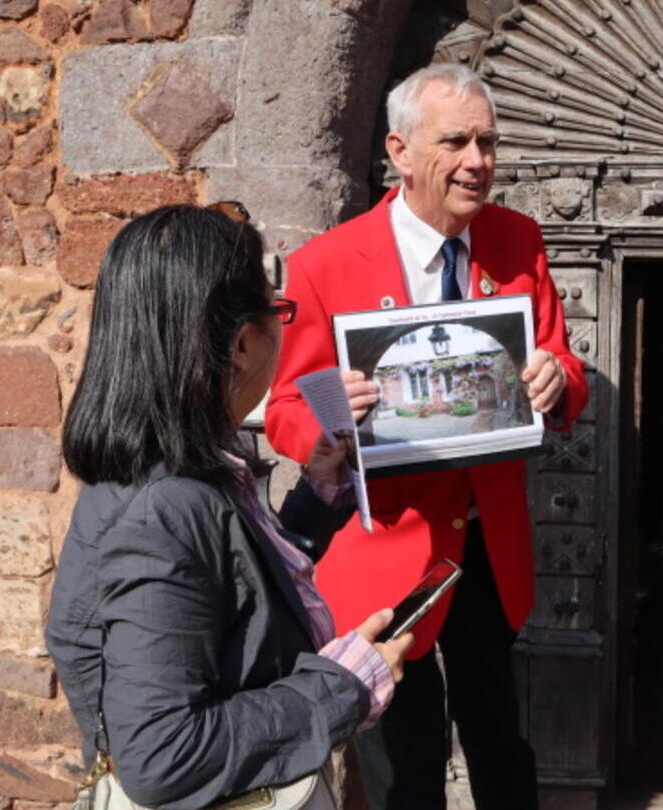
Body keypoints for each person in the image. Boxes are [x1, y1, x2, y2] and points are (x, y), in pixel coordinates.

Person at [264, 63, 588, 810]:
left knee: (501, 749)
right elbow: (286, 403)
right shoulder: (325, 264)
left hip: (486, 542)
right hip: (385, 554)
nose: (479, 162)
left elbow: (561, 362)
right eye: (457, 142)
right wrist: (325, 421)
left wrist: (556, 381)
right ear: (401, 151)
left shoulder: (518, 240)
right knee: (403, 772)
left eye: (488, 143)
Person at [46, 203, 414, 808]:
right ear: (242, 344)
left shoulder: (171, 469)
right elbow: (162, 755)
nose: (281, 326)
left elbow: (225, 587)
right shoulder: (163, 508)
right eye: (278, 310)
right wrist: (343, 687)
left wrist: (316, 501)